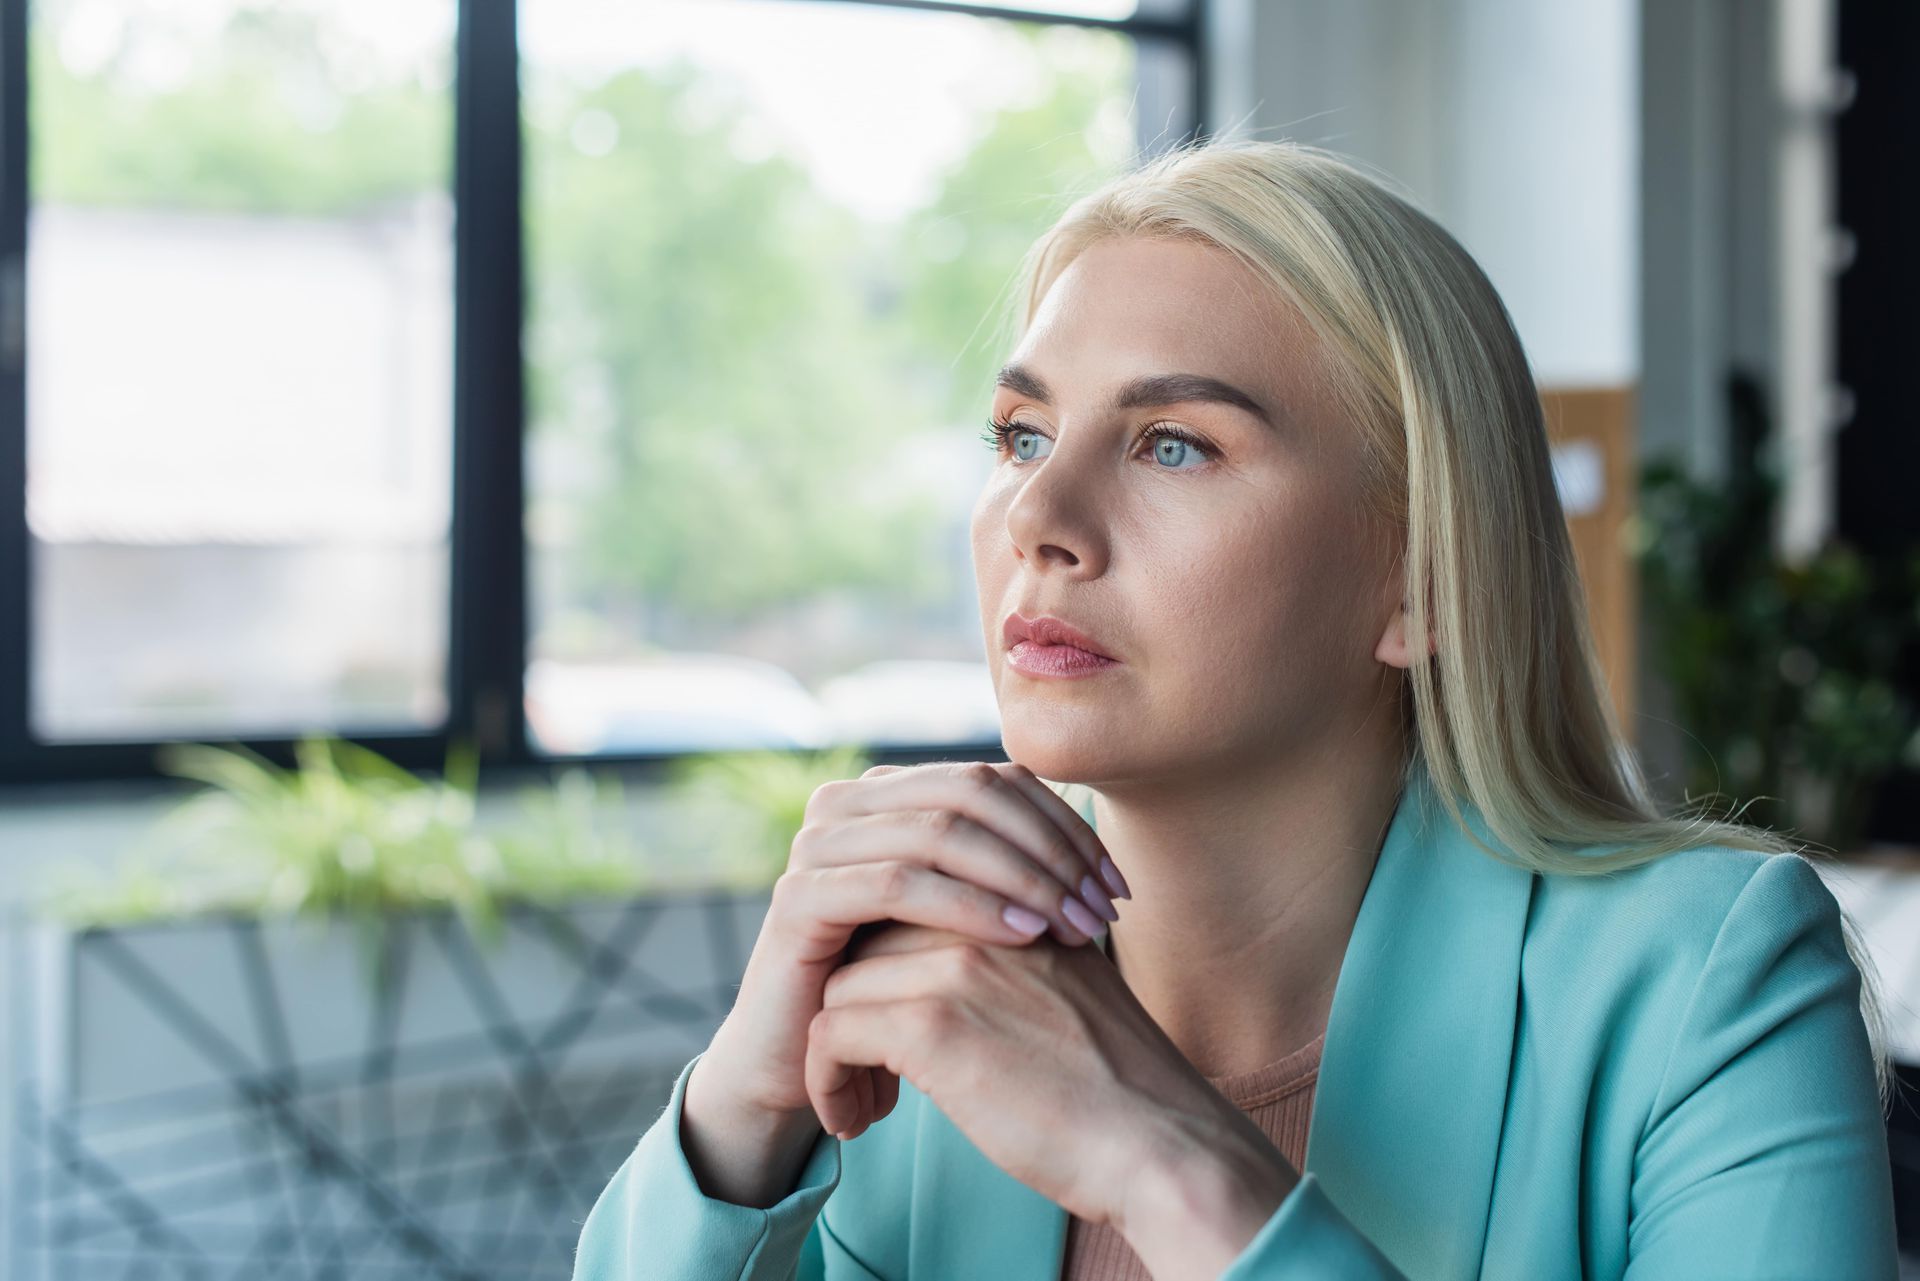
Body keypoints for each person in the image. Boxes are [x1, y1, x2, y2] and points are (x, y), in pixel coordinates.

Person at [569, 137, 1900, 1280]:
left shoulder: (1708, 983)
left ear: (1420, 578)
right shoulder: (919, 1007)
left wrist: (1169, 1160)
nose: (1038, 517)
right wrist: (738, 1115)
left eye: (1173, 444)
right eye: (1023, 436)